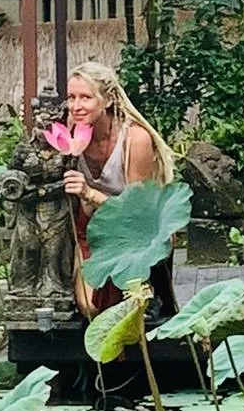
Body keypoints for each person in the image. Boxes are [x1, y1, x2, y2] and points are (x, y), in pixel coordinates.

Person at [60, 62, 178, 318]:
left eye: (86, 98)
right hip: (91, 229)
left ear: (109, 100)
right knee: (90, 308)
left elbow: (137, 212)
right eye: (71, 97)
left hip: (133, 234)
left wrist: (90, 194)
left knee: (130, 309)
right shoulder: (70, 130)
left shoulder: (134, 139)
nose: (76, 106)